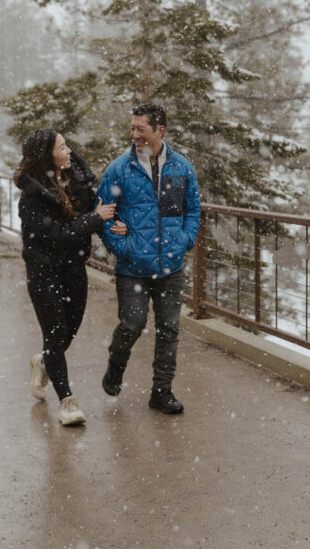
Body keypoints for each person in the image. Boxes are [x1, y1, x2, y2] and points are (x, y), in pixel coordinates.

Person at [96, 103, 202, 415]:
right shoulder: (119, 169)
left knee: (169, 330)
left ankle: (162, 391)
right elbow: (102, 214)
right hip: (132, 269)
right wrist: (122, 247)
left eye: (141, 128)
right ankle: (116, 368)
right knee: (132, 324)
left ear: (159, 131)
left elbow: (193, 209)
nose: (135, 134)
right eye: (132, 128)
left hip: (171, 267)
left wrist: (184, 240)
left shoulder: (181, 168)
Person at [15, 129, 123, 426]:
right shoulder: (31, 199)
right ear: (47, 157)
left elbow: (98, 209)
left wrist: (115, 225)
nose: (69, 151)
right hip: (43, 271)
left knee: (68, 333)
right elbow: (59, 235)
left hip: (74, 268)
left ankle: (43, 362)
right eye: (62, 147)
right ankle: (66, 401)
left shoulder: (78, 181)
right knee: (54, 333)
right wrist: (94, 218)